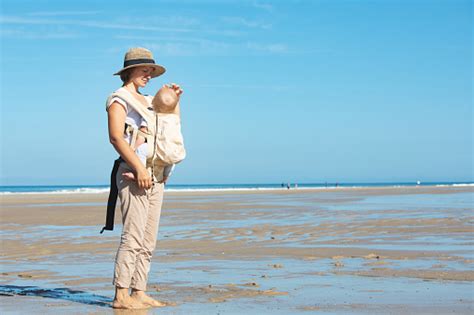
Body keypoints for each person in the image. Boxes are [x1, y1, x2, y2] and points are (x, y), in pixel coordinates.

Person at [106, 47, 183, 309]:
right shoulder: (118, 99)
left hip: (156, 175)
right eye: (144, 70)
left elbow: (169, 127)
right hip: (132, 173)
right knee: (133, 236)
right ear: (129, 71)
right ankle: (121, 295)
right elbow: (116, 137)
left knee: (148, 239)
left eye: (151, 71)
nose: (149, 75)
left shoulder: (149, 100)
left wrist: (175, 101)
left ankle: (139, 291)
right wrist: (138, 168)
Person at [121, 84, 185, 183]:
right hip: (174, 152)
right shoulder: (174, 118)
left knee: (141, 150)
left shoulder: (150, 116)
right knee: (170, 160)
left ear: (153, 104)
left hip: (157, 150)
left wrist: (132, 149)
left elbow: (142, 135)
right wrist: (176, 98)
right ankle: (165, 176)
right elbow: (175, 111)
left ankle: (138, 174)